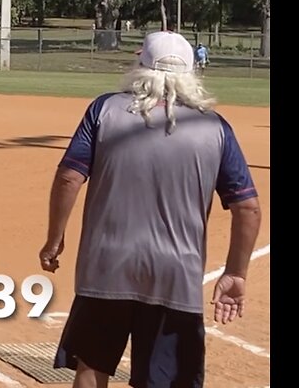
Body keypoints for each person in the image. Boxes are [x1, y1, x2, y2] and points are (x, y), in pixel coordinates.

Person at [40, 30, 262, 388]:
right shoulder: (215, 127)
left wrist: (54, 239)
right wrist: (236, 272)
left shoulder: (104, 109)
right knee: (167, 379)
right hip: (177, 274)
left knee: (91, 365)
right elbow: (247, 207)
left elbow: (69, 177)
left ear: (140, 67)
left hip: (106, 264)